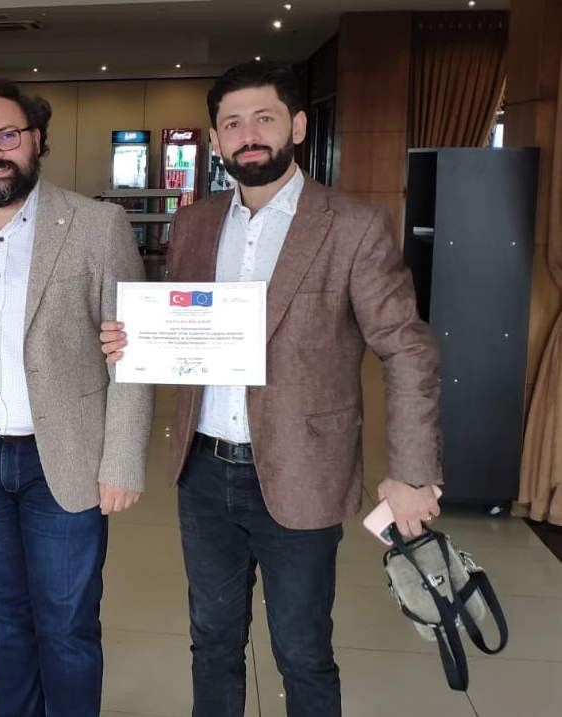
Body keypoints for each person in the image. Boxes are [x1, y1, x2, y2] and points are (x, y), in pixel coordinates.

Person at [100, 61, 443, 717]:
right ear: (215, 139)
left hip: (302, 469)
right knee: (211, 642)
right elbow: (188, 332)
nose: (248, 134)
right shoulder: (194, 223)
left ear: (298, 126)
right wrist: (134, 340)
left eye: (263, 118)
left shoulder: (351, 224)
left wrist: (412, 471)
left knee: (302, 652)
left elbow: (405, 347)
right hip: (203, 470)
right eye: (231, 124)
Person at [0, 79, 154, 716]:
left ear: (36, 139)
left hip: (67, 455)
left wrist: (122, 460)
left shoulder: (97, 225)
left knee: (68, 622)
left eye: (7, 135)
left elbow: (130, 350)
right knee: (2, 615)